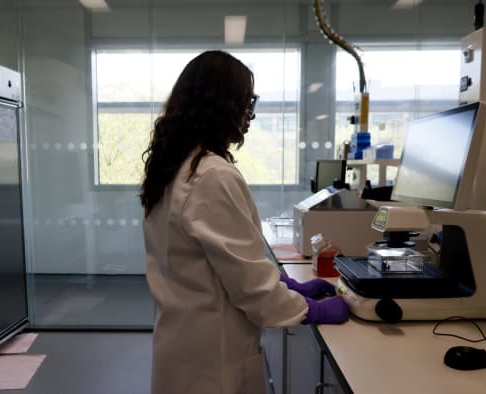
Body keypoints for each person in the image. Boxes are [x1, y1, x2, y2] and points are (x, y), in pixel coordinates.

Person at [140, 50, 348, 394]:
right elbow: (252, 289)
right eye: (246, 102)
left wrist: (288, 284)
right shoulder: (211, 175)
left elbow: (216, 264)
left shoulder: (174, 166)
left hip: (181, 347)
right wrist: (310, 309)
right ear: (221, 105)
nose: (250, 115)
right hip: (213, 363)